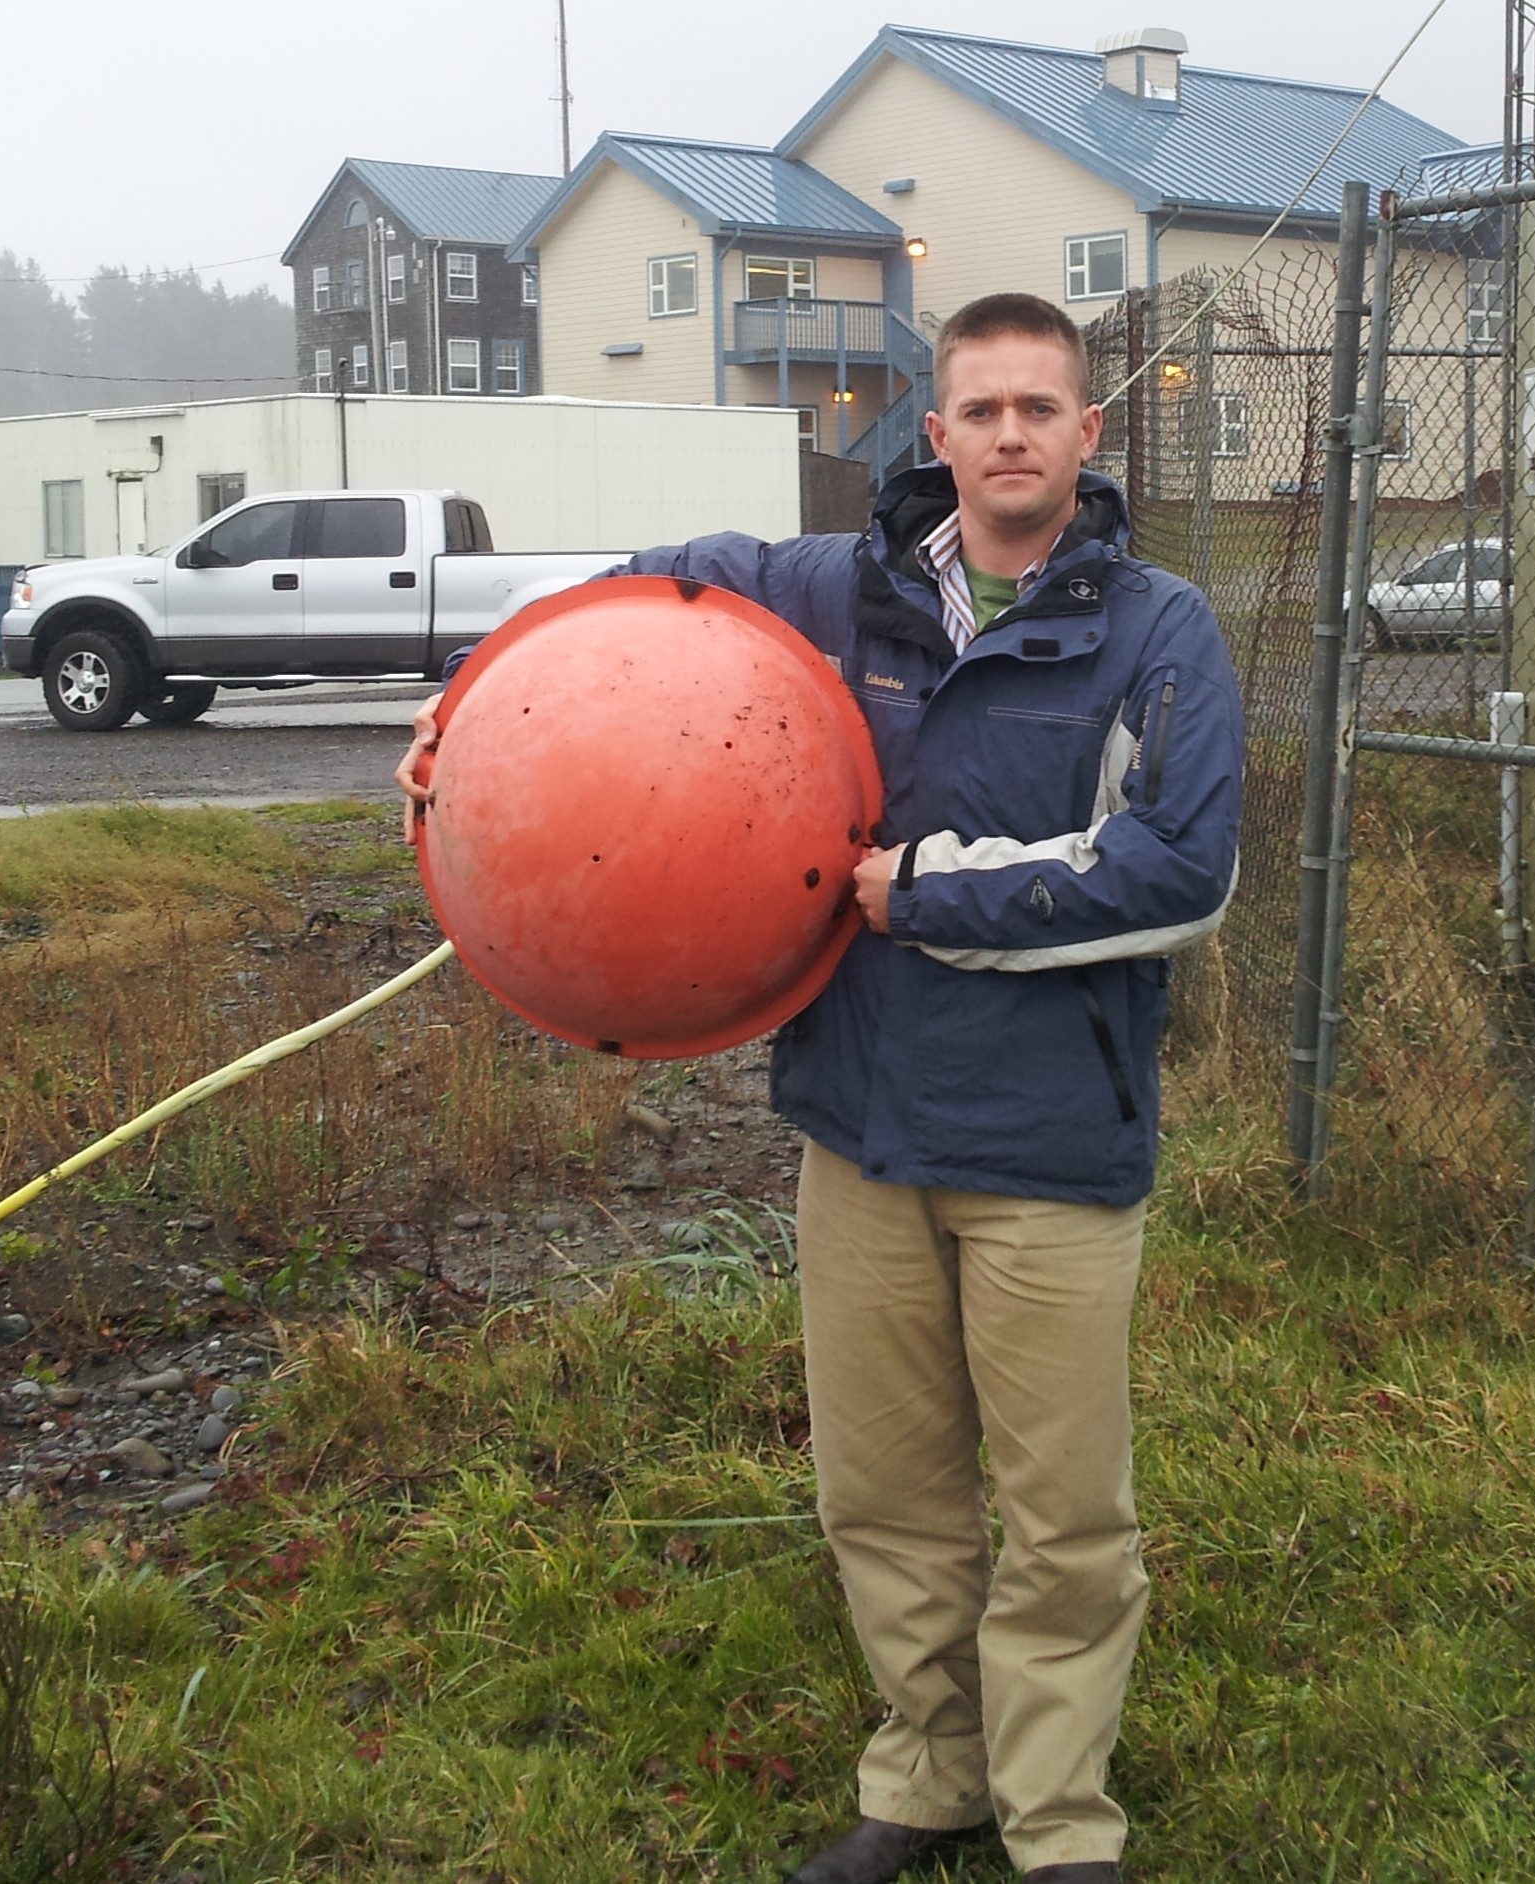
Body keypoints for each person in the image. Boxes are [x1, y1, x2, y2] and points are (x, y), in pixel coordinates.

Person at [397, 292, 1244, 1883]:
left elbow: (1181, 872)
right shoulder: (828, 594)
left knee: (1065, 1513)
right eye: (979, 410)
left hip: (1054, 1141)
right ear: (933, 434)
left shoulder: (1156, 628)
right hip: (859, 1132)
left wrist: (921, 889)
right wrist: (466, 706)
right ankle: (925, 1785)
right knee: (887, 1490)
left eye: (1037, 411)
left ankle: (1060, 1827)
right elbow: (644, 593)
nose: (1008, 436)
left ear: (1087, 434)